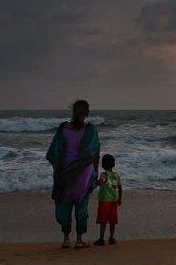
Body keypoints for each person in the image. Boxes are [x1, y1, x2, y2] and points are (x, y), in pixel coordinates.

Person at [46, 100, 100, 249]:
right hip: (83, 174)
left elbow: (54, 152)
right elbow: (95, 154)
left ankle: (65, 239)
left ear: (73, 112)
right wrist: (96, 174)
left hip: (64, 171)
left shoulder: (63, 127)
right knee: (81, 207)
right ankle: (79, 240)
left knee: (64, 205)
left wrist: (59, 169)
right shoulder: (90, 130)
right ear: (87, 113)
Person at [94, 153, 122, 246]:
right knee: (112, 221)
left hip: (104, 201)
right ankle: (111, 238)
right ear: (113, 165)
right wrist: (120, 199)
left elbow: (99, 183)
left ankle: (101, 239)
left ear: (102, 165)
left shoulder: (103, 175)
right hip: (114, 201)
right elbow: (120, 188)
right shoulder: (116, 175)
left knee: (103, 221)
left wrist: (93, 180)